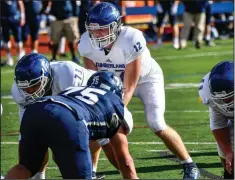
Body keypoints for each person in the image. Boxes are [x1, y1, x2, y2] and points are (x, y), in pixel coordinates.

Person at [78, 2, 200, 179]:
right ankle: (91, 172)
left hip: (145, 79)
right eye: (93, 29)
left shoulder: (131, 39)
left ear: (116, 26)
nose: (97, 34)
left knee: (156, 123)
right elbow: (94, 81)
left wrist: (115, 111)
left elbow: (130, 85)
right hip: (113, 83)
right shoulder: (86, 44)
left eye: (103, 29)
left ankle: (189, 163)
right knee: (97, 124)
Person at [5, 71, 137, 179]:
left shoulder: (73, 89)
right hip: (69, 118)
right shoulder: (114, 102)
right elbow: (125, 162)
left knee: (24, 167)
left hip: (35, 109)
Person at [11, 53, 95, 179]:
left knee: (70, 149)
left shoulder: (68, 74)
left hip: (91, 100)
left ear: (47, 77)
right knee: (32, 142)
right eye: (25, 88)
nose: (29, 91)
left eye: (34, 85)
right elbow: (27, 131)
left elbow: (83, 118)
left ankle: (92, 170)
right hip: (55, 106)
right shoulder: (19, 92)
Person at [199, 60, 234, 179]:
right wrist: (228, 152)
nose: (225, 102)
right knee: (225, 145)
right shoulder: (207, 93)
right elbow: (218, 126)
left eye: (230, 98)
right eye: (222, 99)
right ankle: (229, 174)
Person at [1, 0, 25, 66]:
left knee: (18, 40)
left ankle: (19, 58)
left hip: (15, 18)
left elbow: (20, 4)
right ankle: (9, 59)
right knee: (6, 40)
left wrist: (22, 17)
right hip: (4, 19)